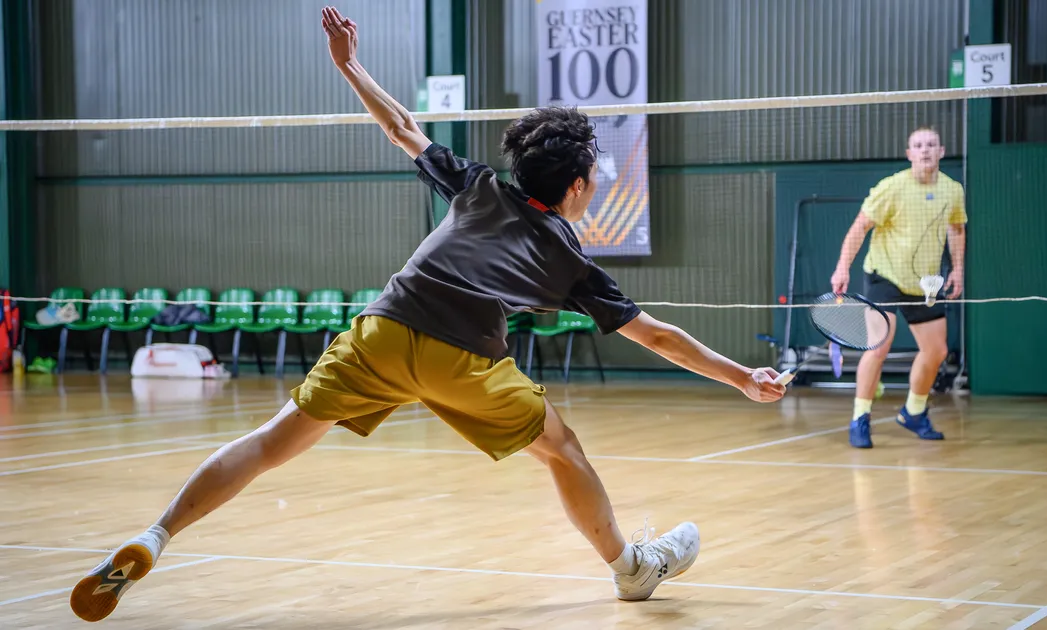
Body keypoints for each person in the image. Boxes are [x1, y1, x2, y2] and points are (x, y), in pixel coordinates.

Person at [68, 6, 787, 623]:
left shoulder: (477, 186)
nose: (595, 184)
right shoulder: (567, 255)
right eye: (594, 176)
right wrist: (739, 379)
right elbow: (656, 335)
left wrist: (349, 65)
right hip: (462, 357)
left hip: (382, 328)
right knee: (562, 449)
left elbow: (402, 127)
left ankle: (158, 536)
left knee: (271, 440)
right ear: (574, 186)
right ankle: (631, 567)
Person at [830, 127, 966, 449]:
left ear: (942, 151)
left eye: (931, 145)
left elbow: (957, 229)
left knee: (936, 352)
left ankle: (914, 412)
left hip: (924, 281)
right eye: (918, 146)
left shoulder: (952, 190)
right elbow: (860, 226)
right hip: (885, 275)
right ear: (909, 154)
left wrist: (957, 268)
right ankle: (860, 417)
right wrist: (842, 267)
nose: (925, 151)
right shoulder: (892, 187)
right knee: (878, 347)